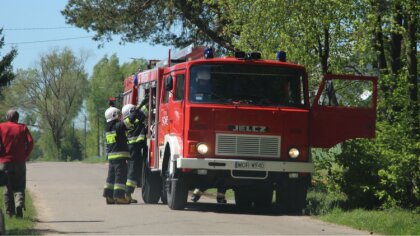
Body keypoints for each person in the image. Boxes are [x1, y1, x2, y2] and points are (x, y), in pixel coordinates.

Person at [0, 109, 33, 218]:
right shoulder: (23, 127)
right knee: (19, 186)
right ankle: (19, 204)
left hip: (5, 162)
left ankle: (10, 213)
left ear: (7, 117)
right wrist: (25, 155)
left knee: (7, 188)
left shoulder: (1, 127)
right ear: (17, 118)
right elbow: (30, 142)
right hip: (20, 161)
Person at [122, 96, 148, 203]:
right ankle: (127, 194)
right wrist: (142, 104)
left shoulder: (133, 119)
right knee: (132, 171)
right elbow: (139, 115)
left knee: (134, 170)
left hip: (134, 147)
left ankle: (127, 194)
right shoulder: (128, 121)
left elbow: (144, 112)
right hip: (133, 147)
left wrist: (148, 102)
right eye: (133, 110)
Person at [103, 107, 131, 204]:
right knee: (121, 176)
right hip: (119, 156)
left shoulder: (109, 128)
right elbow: (127, 123)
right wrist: (135, 113)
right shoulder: (117, 126)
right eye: (118, 114)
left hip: (112, 157)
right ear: (113, 116)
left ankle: (109, 196)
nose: (120, 116)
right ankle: (119, 197)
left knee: (111, 177)